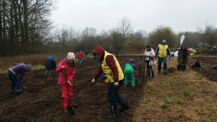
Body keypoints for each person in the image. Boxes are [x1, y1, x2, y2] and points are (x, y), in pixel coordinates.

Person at [90, 45, 129, 118]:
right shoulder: (102, 58)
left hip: (116, 79)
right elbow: (100, 69)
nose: (98, 56)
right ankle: (125, 105)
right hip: (114, 79)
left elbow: (114, 69)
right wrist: (94, 78)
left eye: (98, 54)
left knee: (111, 96)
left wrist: (116, 81)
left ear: (101, 53)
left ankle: (113, 113)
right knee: (115, 93)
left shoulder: (108, 57)